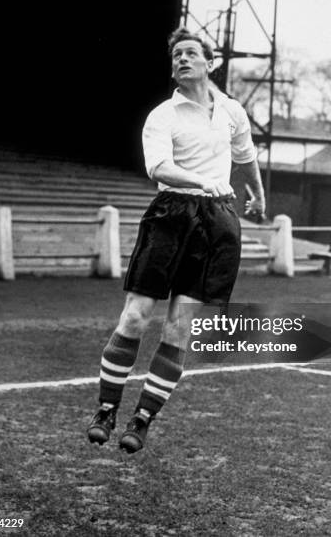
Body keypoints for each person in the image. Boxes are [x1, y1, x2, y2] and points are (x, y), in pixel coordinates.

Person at [87, 26, 265, 453]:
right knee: (135, 316)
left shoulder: (231, 111)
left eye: (190, 53)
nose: (181, 60)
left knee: (181, 325)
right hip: (172, 213)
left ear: (209, 62)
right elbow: (160, 168)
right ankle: (107, 410)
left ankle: (141, 420)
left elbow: (246, 156)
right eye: (175, 56)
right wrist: (205, 182)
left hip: (218, 223)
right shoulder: (162, 115)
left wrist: (258, 194)